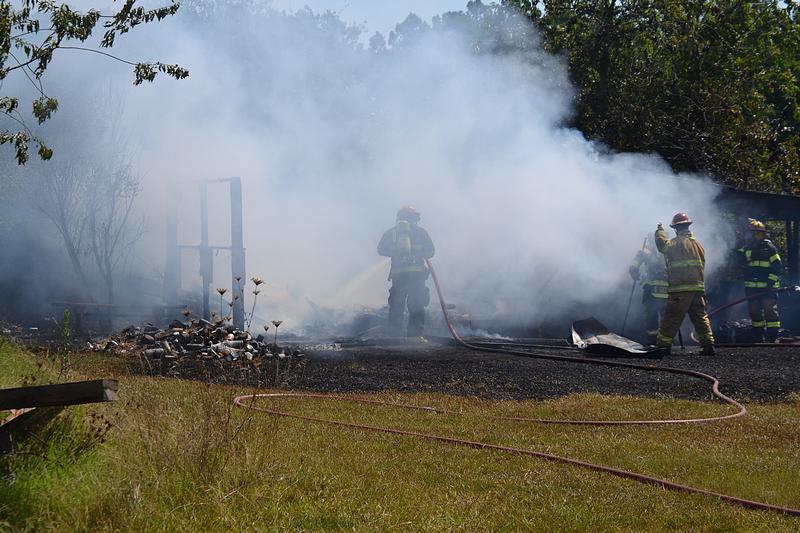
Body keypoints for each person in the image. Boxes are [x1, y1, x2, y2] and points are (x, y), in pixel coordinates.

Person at [654, 212, 715, 355]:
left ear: (676, 228)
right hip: (698, 288)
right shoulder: (698, 245)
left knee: (671, 317)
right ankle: (709, 345)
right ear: (688, 226)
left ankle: (663, 347)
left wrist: (660, 231)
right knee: (700, 317)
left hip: (680, 289)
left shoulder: (675, 243)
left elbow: (662, 246)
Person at [377, 206, 435, 340]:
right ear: (414, 218)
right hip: (417, 277)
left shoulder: (391, 233)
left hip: (399, 277)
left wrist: (393, 251)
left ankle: (394, 337)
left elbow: (380, 250)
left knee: (396, 306)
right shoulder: (421, 232)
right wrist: (419, 254)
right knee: (417, 306)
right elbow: (431, 251)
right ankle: (415, 338)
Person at [736, 219, 782, 342]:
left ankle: (772, 337)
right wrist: (739, 254)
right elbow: (738, 260)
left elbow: (777, 267)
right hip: (752, 287)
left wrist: (770, 283)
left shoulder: (770, 248)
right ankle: (759, 337)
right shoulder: (746, 248)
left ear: (758, 233)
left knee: (769, 310)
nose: (748, 236)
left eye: (750, 233)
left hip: (768, 287)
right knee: (754, 311)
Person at [629, 238, 669, 343]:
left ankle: (652, 341)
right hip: (668, 290)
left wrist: (634, 273)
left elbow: (633, 265)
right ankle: (666, 342)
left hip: (651, 290)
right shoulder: (670, 249)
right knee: (668, 318)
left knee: (651, 317)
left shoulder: (646, 250)